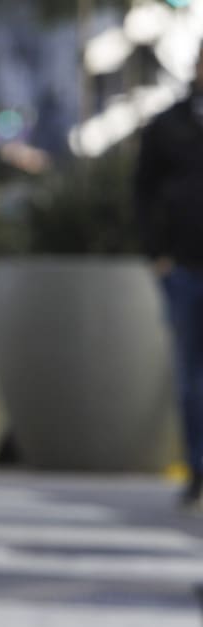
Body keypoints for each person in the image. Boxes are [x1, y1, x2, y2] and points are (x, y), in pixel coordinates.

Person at [135, 41, 203, 511]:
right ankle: (198, 470)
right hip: (183, 267)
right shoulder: (169, 124)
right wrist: (156, 252)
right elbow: (143, 189)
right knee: (190, 378)